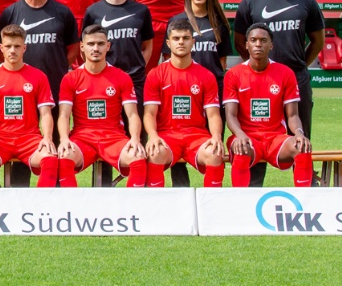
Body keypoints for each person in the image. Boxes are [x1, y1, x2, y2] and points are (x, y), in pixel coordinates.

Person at [234, 0, 324, 187]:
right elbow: (240, 39)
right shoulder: (252, 0)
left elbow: (318, 40)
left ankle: (306, 185)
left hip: (296, 76)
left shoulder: (305, 0)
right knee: (259, 129)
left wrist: (299, 65)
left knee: (301, 134)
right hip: (259, 80)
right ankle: (252, 187)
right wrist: (257, 66)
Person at [0, 0, 79, 185]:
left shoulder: (62, 12)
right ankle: (20, 193)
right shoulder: (10, 13)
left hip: (53, 88)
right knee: (23, 143)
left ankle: (55, 190)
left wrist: (54, 67)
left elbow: (71, 50)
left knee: (52, 143)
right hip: (18, 92)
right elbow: (0, 50)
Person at [224, 22, 312, 188]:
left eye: (263, 40)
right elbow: (231, 115)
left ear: (271, 45)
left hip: (275, 138)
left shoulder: (285, 73)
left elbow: (292, 115)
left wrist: (299, 133)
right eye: (254, 40)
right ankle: (238, 202)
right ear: (246, 44)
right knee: (241, 148)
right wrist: (240, 134)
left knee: (302, 148)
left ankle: (303, 202)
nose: (258, 44)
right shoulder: (234, 74)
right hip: (247, 137)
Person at [57, 25, 146, 187]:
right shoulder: (70, 78)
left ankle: (133, 210)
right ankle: (71, 209)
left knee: (137, 158)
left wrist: (135, 138)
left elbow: (132, 115)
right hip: (83, 137)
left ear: (108, 46)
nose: (95, 48)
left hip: (113, 137)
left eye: (100, 43)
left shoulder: (122, 77)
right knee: (65, 157)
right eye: (91, 44)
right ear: (82, 47)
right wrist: (64, 139)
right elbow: (63, 115)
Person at [143, 18, 225, 188]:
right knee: (155, 152)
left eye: (186, 38)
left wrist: (216, 136)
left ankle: (213, 206)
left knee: (215, 153)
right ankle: (154, 206)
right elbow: (149, 113)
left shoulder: (206, 75)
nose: (181, 42)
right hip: (167, 135)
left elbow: (213, 114)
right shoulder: (156, 74)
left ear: (193, 42)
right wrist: (153, 135)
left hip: (196, 136)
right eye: (176, 38)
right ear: (168, 43)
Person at [0, 24, 57, 187]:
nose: (13, 50)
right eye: (8, 46)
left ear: (24, 48)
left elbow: (46, 113)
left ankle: (41, 209)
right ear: (1, 48)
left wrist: (47, 138)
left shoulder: (38, 76)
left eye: (17, 46)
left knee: (50, 159)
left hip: (29, 138)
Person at [81, 0, 153, 105]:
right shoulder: (93, 11)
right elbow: (84, 48)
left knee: (135, 126)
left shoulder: (141, 11)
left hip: (135, 80)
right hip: (104, 79)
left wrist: (137, 67)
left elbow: (147, 46)